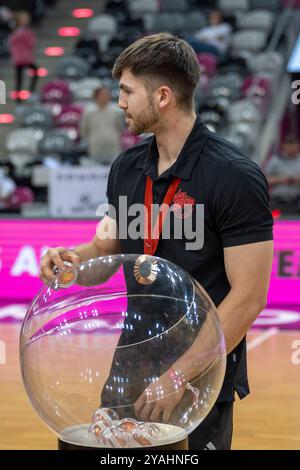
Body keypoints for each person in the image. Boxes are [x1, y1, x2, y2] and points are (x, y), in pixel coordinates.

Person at [40, 33, 274, 450]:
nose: (120, 103)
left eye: (127, 91)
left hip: (200, 375)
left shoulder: (233, 175)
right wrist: (71, 260)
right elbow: (106, 249)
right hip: (132, 364)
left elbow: (249, 296)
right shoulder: (126, 167)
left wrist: (178, 376)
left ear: (162, 96)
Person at [80, 86, 124, 165]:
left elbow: (120, 127)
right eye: (102, 95)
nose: (105, 97)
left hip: (113, 146)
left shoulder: (116, 110)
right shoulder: (88, 112)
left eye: (107, 95)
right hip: (96, 147)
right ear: (96, 96)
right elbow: (84, 130)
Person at [9, 11, 38, 103]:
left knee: (35, 72)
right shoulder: (16, 31)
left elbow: (32, 43)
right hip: (19, 58)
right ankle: (18, 101)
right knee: (19, 79)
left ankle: (31, 92)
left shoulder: (27, 30)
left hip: (27, 57)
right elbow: (13, 42)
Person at [266, 136, 300, 213]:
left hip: (297, 201)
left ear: (297, 146)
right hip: (277, 201)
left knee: (296, 224)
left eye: (293, 145)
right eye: (289, 145)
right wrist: (281, 179)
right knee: (277, 224)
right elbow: (265, 180)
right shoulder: (275, 161)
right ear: (284, 146)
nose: (291, 148)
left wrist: (294, 179)